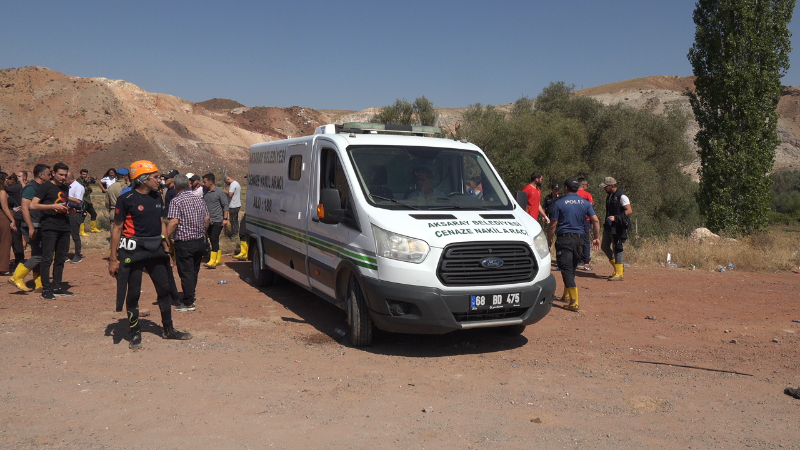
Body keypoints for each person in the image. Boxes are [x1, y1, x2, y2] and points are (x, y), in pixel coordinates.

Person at [109, 160, 192, 349]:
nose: (159, 180)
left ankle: (168, 329)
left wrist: (166, 249)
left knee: (164, 290)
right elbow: (117, 228)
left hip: (156, 249)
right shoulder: (126, 198)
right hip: (133, 250)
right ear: (143, 180)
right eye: (155, 177)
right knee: (133, 293)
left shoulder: (157, 196)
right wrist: (113, 259)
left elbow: (162, 222)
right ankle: (135, 332)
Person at [546, 177, 601, 312]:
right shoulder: (585, 203)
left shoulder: (560, 203)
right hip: (580, 240)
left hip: (565, 239)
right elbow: (596, 221)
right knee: (572, 267)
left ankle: (574, 301)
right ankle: (566, 295)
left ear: (566, 188)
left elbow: (553, 224)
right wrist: (597, 237)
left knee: (565, 268)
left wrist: (549, 240)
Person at [30, 162, 78, 299]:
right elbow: (33, 205)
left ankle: (57, 285)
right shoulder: (45, 187)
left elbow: (64, 206)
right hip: (49, 226)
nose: (63, 177)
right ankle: (46, 288)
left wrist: (71, 211)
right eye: (60, 175)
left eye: (65, 175)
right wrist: (52, 206)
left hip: (64, 225)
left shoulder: (65, 187)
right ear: (53, 174)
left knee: (61, 258)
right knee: (47, 258)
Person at [166, 175, 210, 311]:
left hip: (185, 242)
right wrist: (203, 232)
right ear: (189, 185)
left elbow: (173, 222)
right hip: (199, 240)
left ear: (175, 187)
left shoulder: (176, 201)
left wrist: (165, 237)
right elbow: (207, 218)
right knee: (194, 270)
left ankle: (188, 302)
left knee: (186, 272)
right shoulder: (199, 199)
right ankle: (190, 293)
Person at [8, 164, 49, 292]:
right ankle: (17, 277)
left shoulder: (40, 187)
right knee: (40, 254)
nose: (50, 176)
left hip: (38, 224)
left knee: (37, 253)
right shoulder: (31, 188)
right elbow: (25, 208)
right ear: (41, 175)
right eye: (48, 174)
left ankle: (38, 282)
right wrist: (31, 227)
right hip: (32, 225)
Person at [599, 176, 633, 281]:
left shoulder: (621, 196)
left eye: (606, 187)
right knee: (604, 246)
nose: (604, 189)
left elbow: (629, 210)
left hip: (618, 226)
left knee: (617, 248)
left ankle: (619, 273)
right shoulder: (610, 195)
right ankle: (618, 267)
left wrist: (617, 218)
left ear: (612, 186)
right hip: (609, 225)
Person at [202, 173, 229, 268]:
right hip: (208, 219)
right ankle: (218, 258)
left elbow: (225, 205)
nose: (203, 184)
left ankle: (212, 261)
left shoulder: (219, 192)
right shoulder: (204, 191)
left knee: (214, 238)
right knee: (212, 238)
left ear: (211, 182)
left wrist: (225, 219)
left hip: (218, 219)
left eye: (205, 182)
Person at [5, 172, 25, 269]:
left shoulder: (14, 188)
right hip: (17, 214)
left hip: (18, 216)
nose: (7, 182)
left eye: (8, 179)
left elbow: (3, 188)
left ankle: (20, 260)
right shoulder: (17, 186)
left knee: (16, 238)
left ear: (13, 180)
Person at [0, 173, 17, 275]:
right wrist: (12, 220)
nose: (8, 181)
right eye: (6, 179)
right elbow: (5, 208)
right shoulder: (2, 192)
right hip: (3, 217)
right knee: (5, 242)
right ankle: (4, 268)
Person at [66, 172, 85, 263]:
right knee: (65, 235)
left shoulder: (78, 187)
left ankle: (77, 255)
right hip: (67, 212)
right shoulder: (68, 186)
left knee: (75, 235)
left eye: (65, 179)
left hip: (76, 213)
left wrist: (66, 197)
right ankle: (65, 255)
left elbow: (78, 201)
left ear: (70, 179)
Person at [576, 177, 594, 271]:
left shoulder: (573, 194)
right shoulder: (587, 194)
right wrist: (592, 220)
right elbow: (590, 207)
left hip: (576, 220)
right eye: (586, 185)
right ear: (583, 185)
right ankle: (586, 261)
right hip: (585, 220)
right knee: (586, 240)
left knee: (577, 239)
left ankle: (578, 260)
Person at [78, 169, 101, 233]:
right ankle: (81, 231)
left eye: (86, 174)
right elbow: (83, 191)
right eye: (83, 174)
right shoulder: (79, 181)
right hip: (83, 201)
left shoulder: (85, 181)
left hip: (88, 200)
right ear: (80, 174)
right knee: (83, 215)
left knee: (94, 214)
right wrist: (87, 187)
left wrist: (88, 185)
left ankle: (93, 229)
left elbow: (90, 190)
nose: (85, 176)